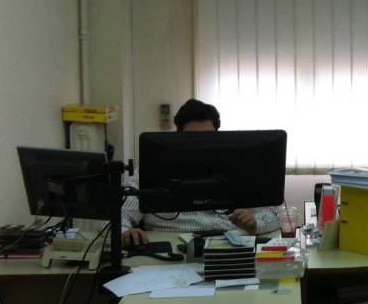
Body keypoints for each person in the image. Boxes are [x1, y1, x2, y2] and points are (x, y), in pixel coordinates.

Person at [120, 99, 280, 246]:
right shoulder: (151, 173)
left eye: (208, 137)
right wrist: (125, 232)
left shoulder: (238, 172)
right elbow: (119, 216)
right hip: (172, 245)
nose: (201, 144)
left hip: (229, 243)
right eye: (193, 137)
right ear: (177, 137)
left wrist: (255, 223)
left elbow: (274, 214)